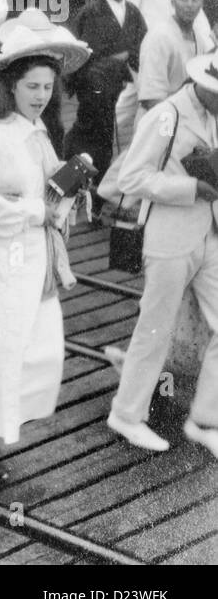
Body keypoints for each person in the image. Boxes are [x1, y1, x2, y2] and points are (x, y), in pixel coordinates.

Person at [0, 19, 90, 479]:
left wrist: (73, 181)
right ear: (11, 85)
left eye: (48, 87)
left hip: (31, 261)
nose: (41, 96)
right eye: (32, 86)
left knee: (36, 349)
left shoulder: (37, 130)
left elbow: (49, 188)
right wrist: (35, 211)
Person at [107, 50, 218, 461]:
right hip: (169, 236)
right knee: (155, 328)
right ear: (203, 86)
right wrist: (191, 189)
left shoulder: (212, 114)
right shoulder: (166, 115)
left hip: (210, 234)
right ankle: (126, 414)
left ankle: (205, 419)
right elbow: (131, 176)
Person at [65, 0, 147, 200]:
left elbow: (142, 45)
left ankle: (93, 190)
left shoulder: (132, 12)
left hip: (114, 85)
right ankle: (73, 185)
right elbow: (82, 48)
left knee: (98, 136)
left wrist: (126, 58)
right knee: (91, 134)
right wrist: (118, 57)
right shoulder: (92, 11)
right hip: (91, 82)